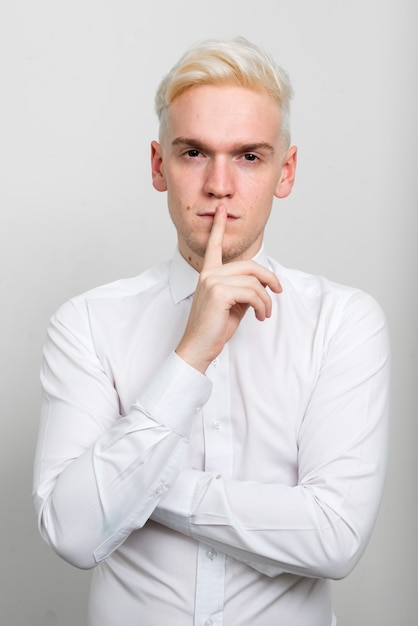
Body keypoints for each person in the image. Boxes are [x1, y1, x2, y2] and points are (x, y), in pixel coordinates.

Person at [33, 37, 390, 626]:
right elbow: (72, 535)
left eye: (249, 156)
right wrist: (190, 354)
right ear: (158, 166)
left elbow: (335, 537)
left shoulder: (344, 321)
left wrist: (142, 488)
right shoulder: (88, 323)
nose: (219, 185)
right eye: (194, 152)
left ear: (286, 171)